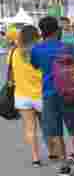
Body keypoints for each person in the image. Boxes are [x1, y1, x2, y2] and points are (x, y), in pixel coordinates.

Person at [31, 16, 74, 176]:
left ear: (42, 32)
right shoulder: (69, 47)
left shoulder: (37, 49)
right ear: (57, 30)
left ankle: (64, 164)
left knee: (55, 131)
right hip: (70, 92)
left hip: (49, 93)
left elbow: (35, 66)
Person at [11, 24, 45, 167]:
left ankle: (35, 158)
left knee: (30, 129)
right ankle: (53, 152)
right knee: (47, 127)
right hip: (41, 95)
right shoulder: (40, 52)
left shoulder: (13, 52)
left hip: (22, 96)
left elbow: (12, 73)